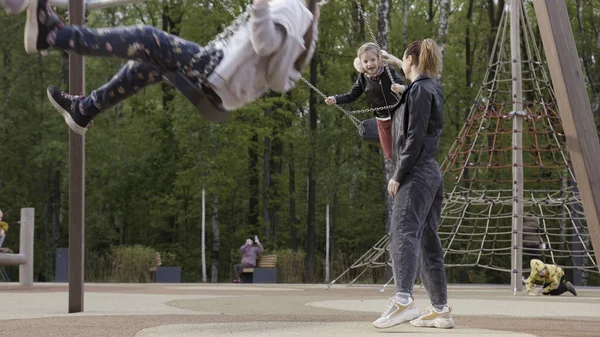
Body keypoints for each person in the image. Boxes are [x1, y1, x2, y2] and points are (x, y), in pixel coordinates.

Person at [24, 0, 320, 135]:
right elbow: (282, 79)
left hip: (216, 70)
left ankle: (51, 35)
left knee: (145, 37)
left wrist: (260, 5)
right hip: (224, 83)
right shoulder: (305, 21)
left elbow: (265, 44)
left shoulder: (293, 8)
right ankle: (85, 109)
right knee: (144, 66)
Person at [372, 39, 454, 330]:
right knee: (428, 239)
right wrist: (395, 61)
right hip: (432, 171)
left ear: (411, 60)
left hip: (416, 171)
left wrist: (397, 174)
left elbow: (414, 136)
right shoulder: (430, 87)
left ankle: (403, 300)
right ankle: (440, 309)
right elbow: (416, 94)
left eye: (403, 61)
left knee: (403, 233)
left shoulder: (418, 90)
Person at [325, 43, 405, 160]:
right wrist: (335, 99)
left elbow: (405, 87)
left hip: (398, 114)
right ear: (361, 64)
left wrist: (398, 87)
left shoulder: (389, 71)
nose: (370, 64)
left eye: (373, 60)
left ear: (379, 59)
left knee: (405, 148)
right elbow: (351, 95)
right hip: (382, 118)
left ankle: (414, 170)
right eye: (366, 61)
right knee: (389, 153)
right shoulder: (363, 78)